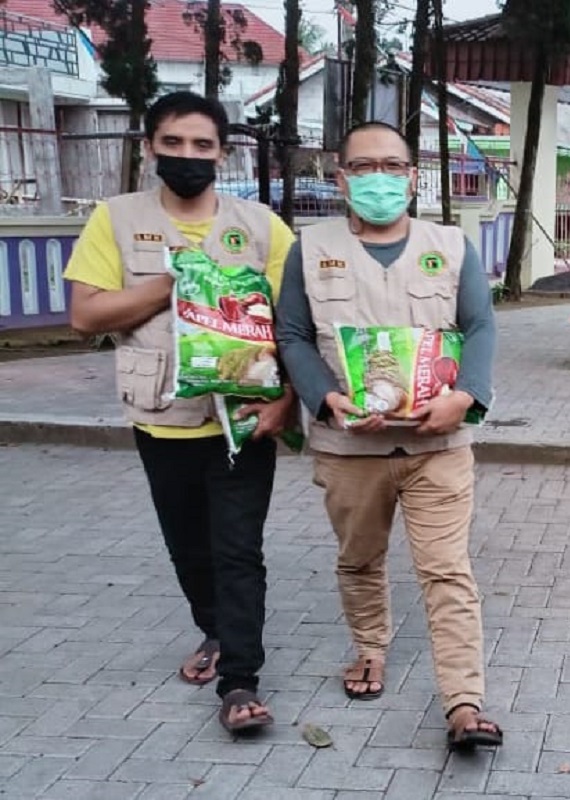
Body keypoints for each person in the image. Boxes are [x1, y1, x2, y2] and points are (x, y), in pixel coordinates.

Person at [64, 91, 296, 732]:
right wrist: (173, 282)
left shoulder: (260, 227)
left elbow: (294, 323)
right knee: (188, 548)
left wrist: (286, 399)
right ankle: (216, 631)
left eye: (202, 145)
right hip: (162, 414)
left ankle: (240, 681)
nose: (188, 156)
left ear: (223, 153)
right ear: (150, 148)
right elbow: (85, 315)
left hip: (243, 417)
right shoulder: (115, 219)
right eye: (173, 143)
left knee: (238, 549)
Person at [275, 121, 500, 750]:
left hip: (438, 446)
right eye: (364, 167)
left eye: (392, 167)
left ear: (412, 176)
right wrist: (325, 399)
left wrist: (467, 395)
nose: (379, 178)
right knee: (359, 558)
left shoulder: (450, 245)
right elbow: (291, 334)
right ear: (341, 176)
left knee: (447, 571)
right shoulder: (310, 247)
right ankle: (370, 649)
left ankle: (463, 700)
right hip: (349, 446)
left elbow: (480, 326)